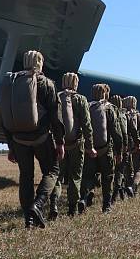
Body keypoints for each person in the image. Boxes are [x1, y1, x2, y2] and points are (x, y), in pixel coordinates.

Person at [1, 50, 65, 229]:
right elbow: (55, 117)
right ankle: (38, 205)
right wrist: (59, 142)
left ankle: (28, 219)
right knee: (52, 170)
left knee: (26, 176)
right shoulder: (46, 83)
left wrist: (11, 145)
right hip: (41, 137)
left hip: (18, 138)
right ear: (40, 63)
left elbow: (5, 116)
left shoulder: (12, 82)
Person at [49, 72, 95, 219]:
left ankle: (53, 204)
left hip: (58, 143)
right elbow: (87, 125)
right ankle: (72, 209)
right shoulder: (81, 99)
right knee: (75, 177)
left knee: (56, 176)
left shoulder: (56, 97)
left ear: (63, 82)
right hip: (77, 144)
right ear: (76, 83)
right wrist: (90, 146)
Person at [79, 83, 122, 213]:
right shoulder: (110, 109)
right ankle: (106, 206)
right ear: (105, 93)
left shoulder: (87, 105)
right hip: (105, 149)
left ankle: (83, 198)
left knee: (87, 176)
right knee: (107, 177)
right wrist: (119, 151)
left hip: (89, 148)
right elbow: (116, 132)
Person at [109, 94, 128, 203]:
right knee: (119, 171)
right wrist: (124, 147)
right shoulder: (122, 115)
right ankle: (115, 194)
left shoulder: (107, 111)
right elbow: (123, 133)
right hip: (119, 146)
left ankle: (119, 192)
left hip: (109, 146)